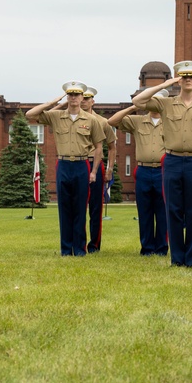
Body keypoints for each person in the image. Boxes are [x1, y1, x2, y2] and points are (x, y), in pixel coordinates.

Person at [133, 61, 192, 267]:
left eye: (191, 76)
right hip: (172, 161)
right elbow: (138, 101)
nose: (188, 80)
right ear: (179, 79)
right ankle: (177, 258)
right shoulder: (165, 104)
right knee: (172, 210)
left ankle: (191, 258)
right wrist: (164, 85)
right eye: (183, 76)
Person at [27, 81, 104, 255]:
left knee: (79, 208)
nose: (74, 98)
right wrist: (53, 102)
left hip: (82, 164)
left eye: (77, 95)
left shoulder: (91, 120)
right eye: (70, 94)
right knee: (64, 209)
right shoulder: (56, 116)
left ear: (82, 97)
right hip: (63, 165)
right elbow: (30, 114)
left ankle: (79, 249)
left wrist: (93, 171)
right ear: (66, 97)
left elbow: (99, 147)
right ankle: (65, 249)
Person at [109, 89, 170, 256]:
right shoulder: (138, 121)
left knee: (163, 211)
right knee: (145, 212)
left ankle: (162, 248)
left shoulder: (171, 122)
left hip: (163, 171)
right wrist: (132, 108)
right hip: (143, 170)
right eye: (151, 100)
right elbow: (112, 121)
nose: (155, 104)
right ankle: (147, 248)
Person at [80, 86, 116, 253]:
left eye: (87, 99)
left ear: (93, 101)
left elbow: (112, 147)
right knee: (77, 206)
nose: (84, 101)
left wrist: (109, 169)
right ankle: (78, 243)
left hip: (95, 165)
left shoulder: (102, 122)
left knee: (96, 208)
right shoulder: (72, 119)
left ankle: (94, 245)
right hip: (78, 163)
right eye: (82, 98)